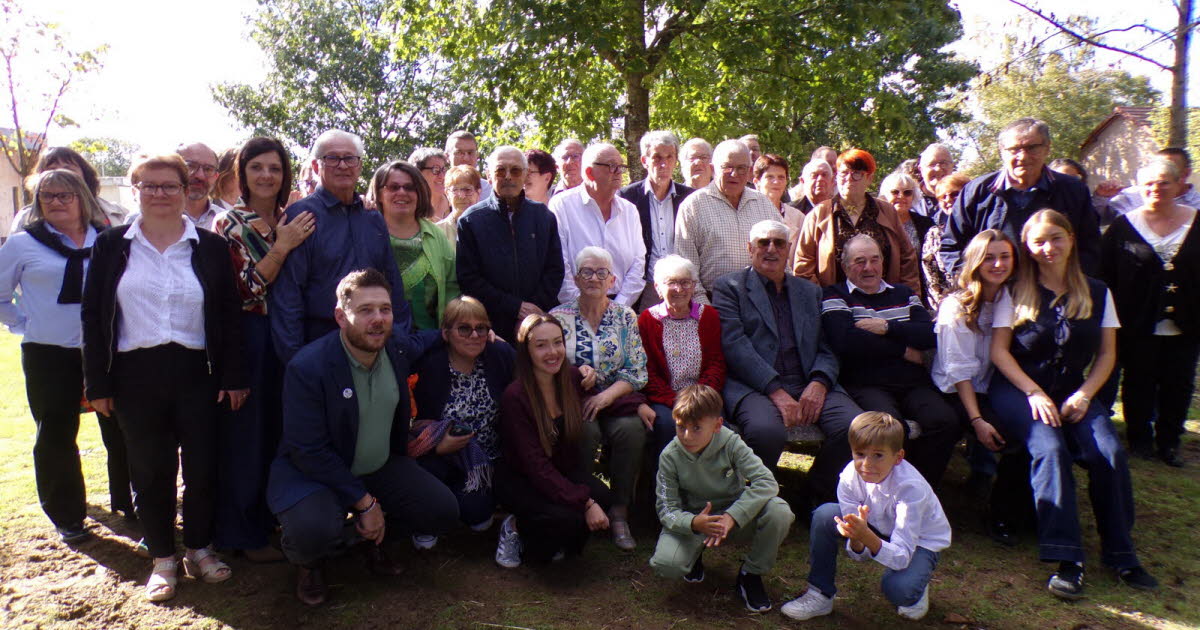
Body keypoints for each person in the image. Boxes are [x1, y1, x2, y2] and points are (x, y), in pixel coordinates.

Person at [81, 154, 248, 602]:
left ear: (185, 189)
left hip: (199, 373)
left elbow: (230, 316)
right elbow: (93, 315)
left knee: (202, 468)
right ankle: (162, 559)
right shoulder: (112, 245)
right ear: (135, 190)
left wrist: (234, 376)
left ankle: (198, 548)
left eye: (169, 185)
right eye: (149, 185)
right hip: (134, 376)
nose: (159, 193)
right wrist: (96, 384)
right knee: (150, 470)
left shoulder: (210, 247)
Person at [989, 209, 1157, 599]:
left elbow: (1106, 356)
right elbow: (1000, 352)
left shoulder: (1098, 291)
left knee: (1109, 451)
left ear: (1071, 239)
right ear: (1028, 248)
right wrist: (1033, 392)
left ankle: (1120, 552)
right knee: (1049, 448)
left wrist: (1085, 394)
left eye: (1056, 238)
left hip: (1072, 390)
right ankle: (1068, 557)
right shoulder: (1015, 290)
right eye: (1039, 241)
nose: (1048, 248)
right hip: (1018, 388)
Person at [267, 269, 456, 606]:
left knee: (441, 510)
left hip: (377, 465)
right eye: (366, 310)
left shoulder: (394, 348)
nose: (378, 319)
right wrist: (365, 502)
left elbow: (420, 341)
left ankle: (371, 539)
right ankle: (310, 561)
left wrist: (456, 333)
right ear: (341, 316)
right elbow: (307, 450)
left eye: (385, 309)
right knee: (312, 532)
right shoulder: (308, 367)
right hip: (315, 473)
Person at [0, 170, 130, 543]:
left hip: (107, 350)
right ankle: (68, 516)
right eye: (47, 196)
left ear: (82, 199)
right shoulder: (23, 245)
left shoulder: (106, 240)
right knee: (56, 433)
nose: (56, 202)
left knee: (122, 428)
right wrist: (28, 324)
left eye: (64, 195)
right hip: (49, 354)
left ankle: (130, 502)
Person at [211, 137, 315, 561]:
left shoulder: (294, 216)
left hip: (289, 332)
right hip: (251, 335)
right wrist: (282, 245)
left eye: (274, 167)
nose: (267, 175)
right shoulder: (231, 224)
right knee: (247, 436)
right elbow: (245, 288)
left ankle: (272, 519)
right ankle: (241, 533)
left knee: (280, 430)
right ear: (242, 173)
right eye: (257, 167)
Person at [712, 220, 860, 501]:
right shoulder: (730, 287)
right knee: (766, 433)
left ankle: (813, 495)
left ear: (789, 249)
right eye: (763, 242)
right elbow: (734, 346)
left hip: (807, 380)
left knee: (854, 426)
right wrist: (775, 391)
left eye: (779, 243)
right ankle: (755, 500)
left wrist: (819, 383)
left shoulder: (810, 291)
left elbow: (828, 345)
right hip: (754, 385)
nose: (771, 249)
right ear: (749, 248)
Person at [781, 412, 951, 622]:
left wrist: (865, 535)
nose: (866, 464)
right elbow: (858, 555)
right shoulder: (849, 477)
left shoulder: (911, 488)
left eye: (878, 455)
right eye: (860, 454)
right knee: (825, 515)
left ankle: (918, 583)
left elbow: (900, 557)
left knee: (900, 591)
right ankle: (820, 593)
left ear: (898, 457)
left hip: (918, 540)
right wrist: (856, 536)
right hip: (876, 523)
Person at [820, 234, 960, 487]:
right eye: (859, 261)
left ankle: (919, 490)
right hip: (865, 382)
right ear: (845, 266)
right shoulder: (835, 295)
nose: (868, 268)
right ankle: (881, 492)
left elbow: (928, 334)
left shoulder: (904, 293)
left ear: (883, 262)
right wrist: (902, 350)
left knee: (945, 421)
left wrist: (886, 327)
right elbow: (846, 341)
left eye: (875, 260)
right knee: (891, 429)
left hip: (912, 383)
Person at [268, 129, 411, 364]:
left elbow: (392, 281)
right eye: (332, 158)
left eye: (350, 158)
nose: (343, 165)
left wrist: (400, 339)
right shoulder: (301, 216)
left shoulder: (372, 217)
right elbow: (288, 295)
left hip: (375, 346)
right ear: (316, 167)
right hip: (320, 345)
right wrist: (295, 359)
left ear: (360, 165)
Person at [649, 385, 794, 614]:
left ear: (717, 425)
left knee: (779, 511)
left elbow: (766, 482)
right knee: (667, 565)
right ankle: (693, 554)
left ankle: (751, 574)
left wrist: (732, 516)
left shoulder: (731, 443)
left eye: (696, 428)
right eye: (680, 427)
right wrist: (693, 523)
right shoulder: (669, 456)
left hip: (733, 518)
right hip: (694, 521)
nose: (686, 436)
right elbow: (666, 509)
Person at [550, 246, 652, 551]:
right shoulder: (558, 317)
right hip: (574, 402)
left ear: (612, 280)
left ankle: (619, 511)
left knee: (631, 430)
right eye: (587, 272)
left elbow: (637, 370)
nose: (594, 278)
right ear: (576, 278)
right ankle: (584, 502)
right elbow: (546, 362)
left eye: (601, 272)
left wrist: (605, 396)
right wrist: (572, 372)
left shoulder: (625, 316)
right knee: (585, 430)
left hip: (616, 399)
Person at [930, 229, 1029, 542]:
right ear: (974, 262)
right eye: (989, 258)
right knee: (960, 428)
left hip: (988, 389)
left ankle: (1005, 513)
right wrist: (977, 421)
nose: (998, 264)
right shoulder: (955, 306)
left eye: (1005, 257)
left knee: (1023, 436)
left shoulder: (1006, 298)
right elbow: (959, 374)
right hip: (953, 392)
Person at [1100, 158, 1199, 466]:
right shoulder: (1122, 226)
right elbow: (1106, 274)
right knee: (1138, 381)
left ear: (1179, 185)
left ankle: (1169, 442)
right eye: (1149, 184)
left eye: (1163, 182)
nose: (1156, 189)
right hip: (1135, 321)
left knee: (1178, 382)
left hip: (1187, 322)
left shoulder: (1197, 221)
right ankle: (1139, 439)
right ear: (1139, 188)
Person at [494, 314, 613, 567]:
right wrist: (585, 502)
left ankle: (555, 534)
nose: (552, 352)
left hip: (559, 472)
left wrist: (640, 406)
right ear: (526, 351)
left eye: (557, 342)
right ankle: (514, 526)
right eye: (541, 345)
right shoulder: (516, 397)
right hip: (521, 478)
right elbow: (536, 467)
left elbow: (601, 400)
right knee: (569, 520)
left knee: (603, 495)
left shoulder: (570, 377)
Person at [409, 296, 516, 547]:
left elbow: (531, 374)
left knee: (477, 516)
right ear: (446, 333)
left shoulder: (499, 355)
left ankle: (465, 503)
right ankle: (426, 519)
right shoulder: (429, 363)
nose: (474, 335)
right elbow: (411, 420)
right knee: (430, 478)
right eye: (464, 328)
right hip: (436, 455)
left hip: (483, 462)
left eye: (481, 328)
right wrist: (437, 446)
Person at [940, 117, 1101, 276]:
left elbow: (1090, 247)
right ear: (1002, 151)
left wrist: (1069, 285)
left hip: (1058, 294)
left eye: (1032, 148)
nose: (1023, 156)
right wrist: (974, 284)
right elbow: (951, 247)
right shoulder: (977, 192)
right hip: (995, 296)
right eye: (1014, 149)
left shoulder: (1073, 190)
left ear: (1047, 148)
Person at [456, 146, 564, 339]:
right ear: (489, 176)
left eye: (515, 171)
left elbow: (555, 269)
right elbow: (469, 278)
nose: (508, 176)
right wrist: (514, 308)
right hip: (490, 327)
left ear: (524, 176)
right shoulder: (471, 221)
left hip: (539, 324)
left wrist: (530, 312)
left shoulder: (543, 216)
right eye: (500, 170)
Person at [793, 148, 921, 296]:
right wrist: (823, 300)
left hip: (885, 302)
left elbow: (907, 258)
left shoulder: (886, 211)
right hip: (834, 304)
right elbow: (803, 265)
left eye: (856, 174)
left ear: (869, 178)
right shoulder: (819, 214)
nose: (848, 179)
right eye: (843, 173)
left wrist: (908, 298)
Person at [637, 255, 726, 453]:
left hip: (703, 395)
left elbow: (716, 363)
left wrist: (698, 399)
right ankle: (664, 480)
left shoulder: (709, 316)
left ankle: (709, 481)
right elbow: (647, 369)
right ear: (658, 288)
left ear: (694, 286)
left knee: (714, 426)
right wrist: (676, 401)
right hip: (665, 398)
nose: (679, 289)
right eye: (671, 283)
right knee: (667, 427)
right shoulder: (647, 320)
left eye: (685, 282)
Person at [674, 139, 779, 302]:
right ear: (712, 168)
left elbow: (781, 256)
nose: (734, 174)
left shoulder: (764, 204)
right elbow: (686, 268)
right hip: (714, 302)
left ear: (750, 171)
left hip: (762, 301)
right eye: (727, 167)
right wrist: (706, 310)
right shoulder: (693, 206)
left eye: (741, 168)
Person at [367, 160, 459, 330]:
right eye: (393, 187)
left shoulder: (436, 235)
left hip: (431, 340)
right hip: (378, 341)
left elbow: (452, 286)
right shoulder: (366, 233)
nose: (402, 192)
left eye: (410, 187)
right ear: (379, 194)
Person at [551, 142, 646, 308]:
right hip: (575, 309)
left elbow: (638, 264)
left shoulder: (630, 211)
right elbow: (559, 264)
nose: (618, 172)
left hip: (621, 307)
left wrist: (618, 307)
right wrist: (583, 307)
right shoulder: (562, 205)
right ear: (589, 172)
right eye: (611, 166)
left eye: (620, 166)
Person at [618, 131, 696, 310]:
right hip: (643, 287)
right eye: (657, 158)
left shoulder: (689, 197)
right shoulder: (627, 197)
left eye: (670, 157)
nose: (664, 164)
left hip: (681, 287)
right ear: (644, 161)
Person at [9, 146, 129, 233]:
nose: (61, 174)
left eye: (68, 169)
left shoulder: (118, 213)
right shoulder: (26, 218)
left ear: (85, 175)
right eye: (52, 169)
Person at [1102, 148, 1200, 227]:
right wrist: (1101, 197)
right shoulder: (1130, 196)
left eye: (1171, 169)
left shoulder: (1197, 205)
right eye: (1158, 167)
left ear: (1186, 173)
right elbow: (1097, 220)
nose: (1162, 172)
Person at [922, 173, 972, 311]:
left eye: (954, 194)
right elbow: (931, 276)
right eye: (942, 197)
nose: (948, 200)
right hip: (951, 307)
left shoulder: (982, 226)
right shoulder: (934, 234)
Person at [752, 154, 805, 263]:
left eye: (781, 177)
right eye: (770, 177)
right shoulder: (747, 213)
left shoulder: (798, 217)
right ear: (757, 183)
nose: (776, 182)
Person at [176, 142, 224, 230]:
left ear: (216, 177)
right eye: (190, 166)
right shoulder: (153, 219)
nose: (200, 175)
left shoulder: (226, 222)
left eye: (208, 169)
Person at [438, 164, 481, 246]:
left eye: (467, 190)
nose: (462, 196)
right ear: (447, 194)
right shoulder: (437, 232)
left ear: (478, 193)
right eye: (455, 190)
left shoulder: (489, 228)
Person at [445, 130, 493, 199]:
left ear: (477, 155)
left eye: (470, 152)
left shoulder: (490, 191)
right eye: (459, 152)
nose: (466, 158)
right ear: (447, 157)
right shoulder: (437, 190)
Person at [409, 147, 453, 221]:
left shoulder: (454, 202)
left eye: (443, 170)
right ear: (418, 173)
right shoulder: (410, 210)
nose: (442, 176)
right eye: (436, 170)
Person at [914, 143, 956, 218]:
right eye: (932, 164)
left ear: (952, 165)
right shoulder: (911, 201)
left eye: (944, 163)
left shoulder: (965, 195)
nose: (938, 169)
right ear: (921, 169)